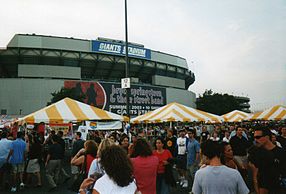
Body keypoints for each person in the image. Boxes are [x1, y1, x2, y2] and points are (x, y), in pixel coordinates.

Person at [248, 126, 286, 194]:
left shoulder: (280, 152)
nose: (255, 140)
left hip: (277, 188)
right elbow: (254, 174)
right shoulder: (254, 151)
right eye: (254, 137)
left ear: (267, 137)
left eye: (258, 137)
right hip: (259, 188)